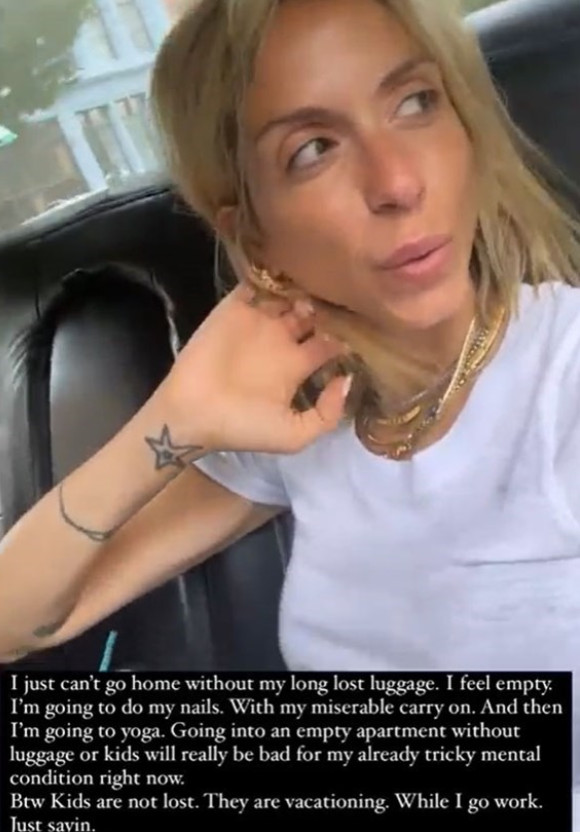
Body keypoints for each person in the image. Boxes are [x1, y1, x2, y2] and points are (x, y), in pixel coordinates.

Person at [0, 0, 580, 811]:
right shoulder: (309, 416)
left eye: (416, 102)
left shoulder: (562, 372)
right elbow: (17, 617)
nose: (398, 182)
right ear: (254, 236)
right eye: (313, 150)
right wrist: (175, 416)